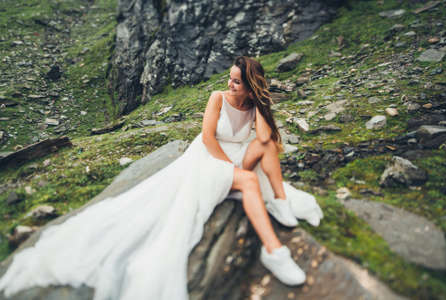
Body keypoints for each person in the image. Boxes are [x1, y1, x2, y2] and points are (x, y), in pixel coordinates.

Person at [0, 56, 323, 300]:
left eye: (237, 82)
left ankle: (279, 201)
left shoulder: (254, 103)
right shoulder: (217, 98)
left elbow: (266, 138)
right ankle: (273, 250)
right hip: (210, 157)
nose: (230, 85)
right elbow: (208, 138)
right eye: (230, 79)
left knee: (265, 148)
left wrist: (263, 105)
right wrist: (230, 169)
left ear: (250, 85)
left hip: (238, 154)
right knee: (250, 181)